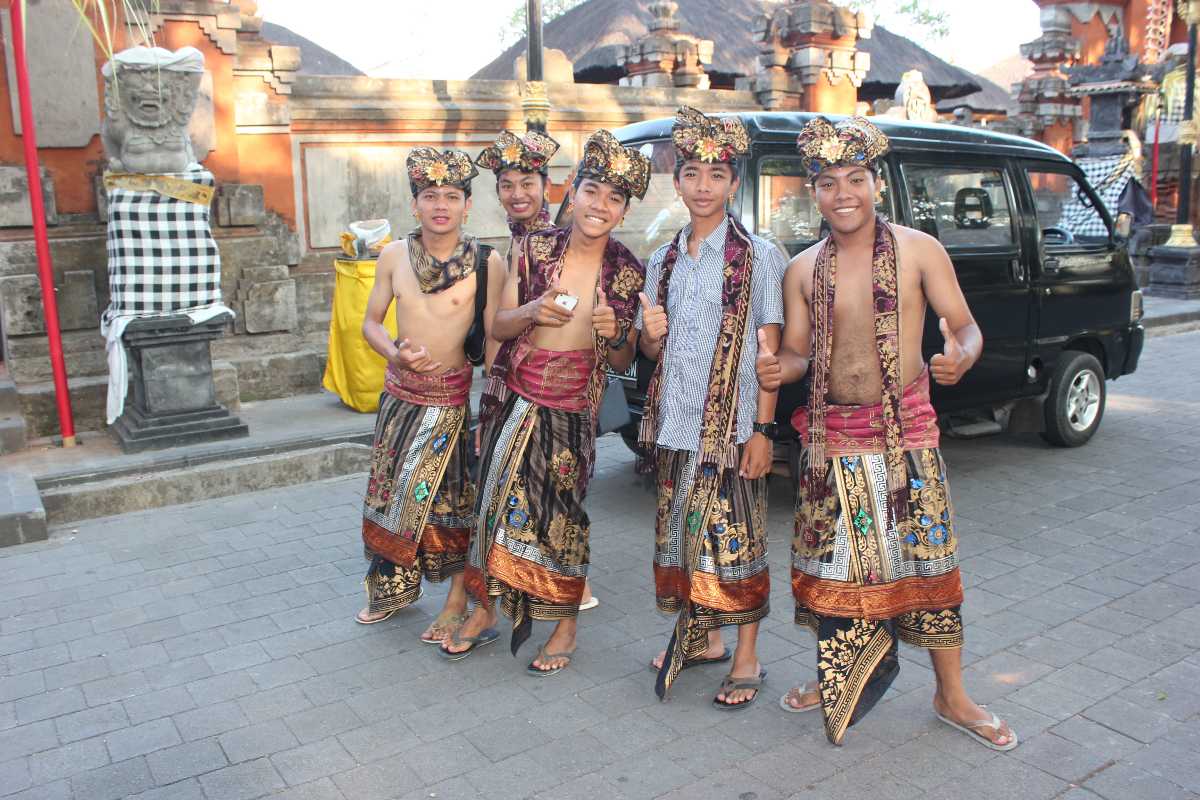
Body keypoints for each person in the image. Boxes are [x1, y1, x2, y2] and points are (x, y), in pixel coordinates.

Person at [756, 116, 1017, 750]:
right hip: (828, 437)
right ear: (810, 191)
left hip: (905, 436)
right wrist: (776, 367)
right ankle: (838, 671)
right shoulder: (800, 269)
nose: (843, 193)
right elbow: (798, 355)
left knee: (930, 565)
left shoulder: (919, 249)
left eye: (855, 178)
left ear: (876, 183)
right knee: (829, 567)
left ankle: (951, 694)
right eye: (827, 182)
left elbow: (966, 326)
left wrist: (962, 355)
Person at [443, 130, 648, 673]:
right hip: (516, 396)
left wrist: (612, 330)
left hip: (573, 406)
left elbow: (625, 356)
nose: (600, 205)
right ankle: (487, 609)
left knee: (562, 514)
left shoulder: (628, 269)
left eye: (614, 198)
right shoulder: (535, 248)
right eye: (592, 191)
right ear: (572, 193)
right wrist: (533, 308)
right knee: (493, 503)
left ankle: (565, 626)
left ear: (623, 210)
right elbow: (499, 324)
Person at [639, 107, 785, 709]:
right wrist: (649, 331)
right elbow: (653, 348)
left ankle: (747, 655)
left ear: (733, 184)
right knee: (683, 535)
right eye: (693, 173)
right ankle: (703, 638)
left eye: (717, 175)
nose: (704, 186)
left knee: (739, 539)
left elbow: (768, 349)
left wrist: (763, 430)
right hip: (677, 423)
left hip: (732, 426)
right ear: (677, 182)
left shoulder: (759, 254)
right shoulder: (663, 259)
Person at [356, 146, 504, 647]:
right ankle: (390, 589)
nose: (440, 205)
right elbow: (371, 323)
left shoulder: (488, 262)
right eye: (429, 195)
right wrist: (394, 353)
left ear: (467, 204)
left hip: (450, 404)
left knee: (451, 504)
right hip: (400, 398)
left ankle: (456, 601)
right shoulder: (395, 255)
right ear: (414, 204)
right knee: (390, 496)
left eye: (451, 196)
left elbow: (495, 340)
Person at [476, 128, 600, 612]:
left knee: (555, 486)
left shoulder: (555, 243)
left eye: (527, 182)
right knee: (517, 484)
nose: (518, 194)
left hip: (559, 385)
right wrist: (491, 384)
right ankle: (529, 579)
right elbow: (498, 325)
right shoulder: (514, 243)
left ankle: (568, 586)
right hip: (513, 380)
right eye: (507, 184)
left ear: (548, 186)